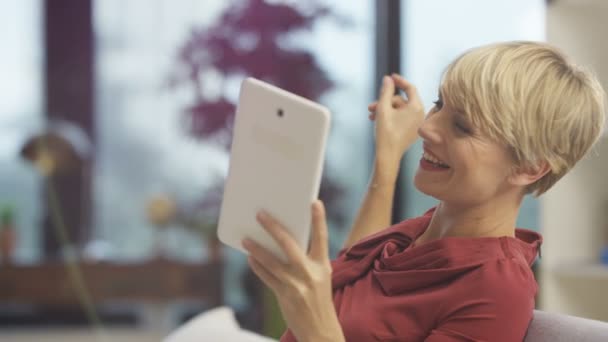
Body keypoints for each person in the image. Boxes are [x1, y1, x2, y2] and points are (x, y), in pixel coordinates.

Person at [241, 41, 606, 341]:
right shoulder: (419, 234)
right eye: (439, 104)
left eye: (462, 127)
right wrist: (387, 156)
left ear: (530, 168)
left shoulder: (495, 290)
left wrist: (312, 323)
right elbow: (354, 275)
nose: (427, 128)